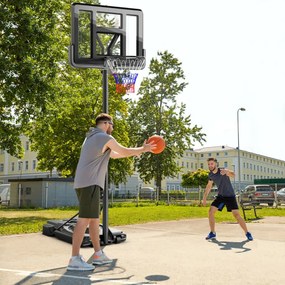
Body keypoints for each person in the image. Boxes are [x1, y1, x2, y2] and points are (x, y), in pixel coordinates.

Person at [67, 113, 156, 271]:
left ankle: (97, 254)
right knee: (84, 220)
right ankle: (74, 258)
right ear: (107, 123)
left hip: (86, 183)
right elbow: (123, 150)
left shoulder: (91, 137)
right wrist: (144, 148)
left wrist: (139, 151)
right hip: (90, 183)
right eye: (112, 125)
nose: (113, 128)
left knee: (94, 220)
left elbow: (117, 154)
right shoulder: (102, 137)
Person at [202, 157, 253, 241]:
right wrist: (204, 198)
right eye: (208, 164)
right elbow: (209, 186)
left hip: (230, 196)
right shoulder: (211, 174)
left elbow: (233, 174)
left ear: (215, 164)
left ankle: (247, 232)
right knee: (211, 211)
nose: (210, 165)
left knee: (236, 215)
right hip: (221, 196)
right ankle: (212, 232)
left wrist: (227, 172)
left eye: (212, 164)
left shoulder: (222, 170)